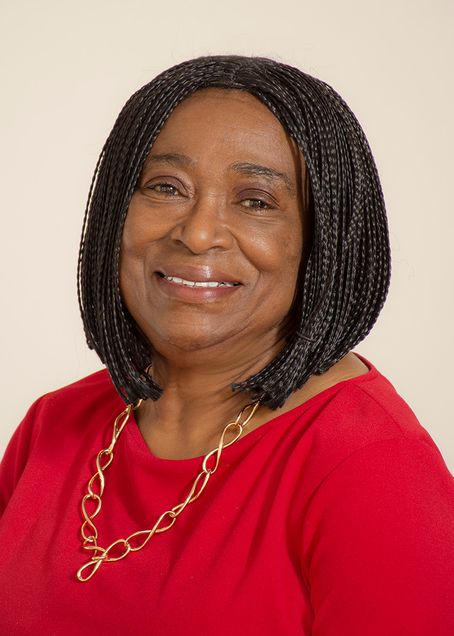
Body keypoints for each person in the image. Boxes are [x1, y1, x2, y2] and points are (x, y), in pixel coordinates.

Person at [0, 55, 453, 635]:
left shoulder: (371, 467)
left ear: (322, 239)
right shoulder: (55, 425)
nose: (198, 232)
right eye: (166, 188)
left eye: (256, 200)